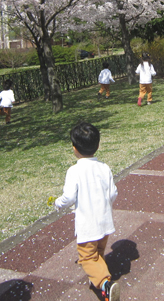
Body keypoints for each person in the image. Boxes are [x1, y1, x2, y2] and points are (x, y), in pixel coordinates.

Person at [54, 122, 120, 301]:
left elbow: (68, 198)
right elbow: (113, 193)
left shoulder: (74, 171)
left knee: (87, 257)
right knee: (98, 252)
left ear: (74, 148)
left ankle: (106, 284)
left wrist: (57, 203)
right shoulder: (104, 168)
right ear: (97, 146)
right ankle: (96, 279)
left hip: (88, 226)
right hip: (105, 222)